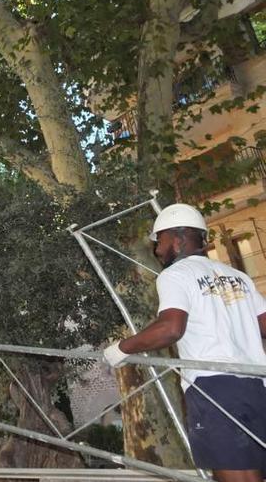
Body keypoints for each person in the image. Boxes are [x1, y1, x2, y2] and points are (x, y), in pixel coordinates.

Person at [103, 203, 266, 482]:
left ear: (178, 239)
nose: (156, 250)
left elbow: (171, 328)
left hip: (215, 388)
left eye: (160, 241)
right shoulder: (238, 277)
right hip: (256, 385)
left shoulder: (175, 275)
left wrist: (120, 349)